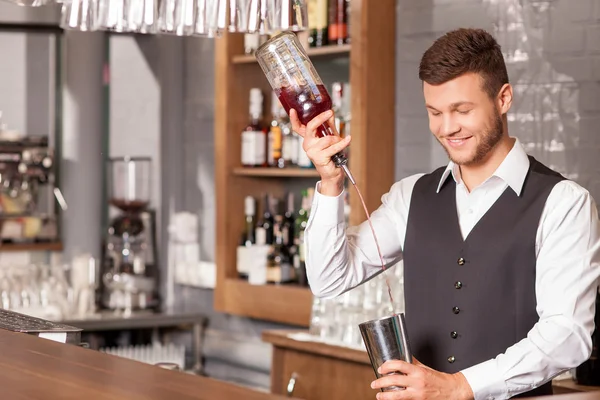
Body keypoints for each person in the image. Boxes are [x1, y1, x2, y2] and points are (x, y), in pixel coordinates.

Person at [289, 28, 600, 400]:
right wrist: (330, 182)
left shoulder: (564, 203)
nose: (447, 127)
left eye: (462, 110)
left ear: (503, 99)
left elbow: (568, 335)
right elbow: (329, 279)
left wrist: (461, 387)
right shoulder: (411, 196)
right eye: (434, 112)